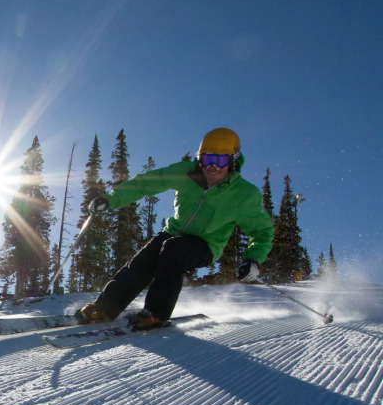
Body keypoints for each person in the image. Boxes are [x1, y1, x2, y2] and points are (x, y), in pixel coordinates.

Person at [76, 127, 275, 329]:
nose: (213, 167)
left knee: (174, 250)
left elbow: (262, 231)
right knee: (143, 261)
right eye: (207, 159)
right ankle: (104, 308)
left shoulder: (244, 194)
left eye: (221, 160)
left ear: (233, 161)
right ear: (199, 158)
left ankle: (155, 314)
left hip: (206, 244)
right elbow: (144, 184)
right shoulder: (185, 173)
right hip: (172, 233)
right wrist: (110, 200)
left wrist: (253, 259)